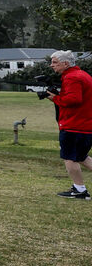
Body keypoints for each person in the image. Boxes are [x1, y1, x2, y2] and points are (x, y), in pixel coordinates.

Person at [48, 50, 92, 199]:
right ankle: (79, 189)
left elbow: (74, 100)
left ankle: (80, 190)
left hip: (74, 125)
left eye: (55, 62)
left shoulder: (72, 77)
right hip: (86, 125)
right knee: (81, 157)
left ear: (65, 63)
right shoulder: (83, 75)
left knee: (69, 157)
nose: (51, 65)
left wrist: (55, 99)